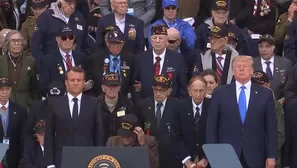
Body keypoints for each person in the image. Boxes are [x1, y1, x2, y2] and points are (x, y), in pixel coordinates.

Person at [206, 56, 277, 168]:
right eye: (238, 66)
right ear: (233, 71)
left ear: (252, 70)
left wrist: (271, 156)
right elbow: (211, 126)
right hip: (225, 154)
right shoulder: (220, 93)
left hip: (256, 154)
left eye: (245, 66)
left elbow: (271, 128)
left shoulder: (265, 94)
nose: (241, 69)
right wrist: (213, 155)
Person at [44, 67, 104, 168]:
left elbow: (99, 134)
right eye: (72, 80)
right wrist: (50, 164)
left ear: (84, 82)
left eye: (79, 80)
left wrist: (99, 160)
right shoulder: (54, 104)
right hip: (62, 159)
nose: (76, 83)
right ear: (66, 82)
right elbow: (49, 136)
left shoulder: (94, 103)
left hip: (88, 159)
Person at [136, 75, 192, 168]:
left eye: (162, 90)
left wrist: (185, 157)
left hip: (171, 156)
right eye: (155, 90)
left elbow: (183, 133)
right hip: (150, 155)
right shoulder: (143, 105)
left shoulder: (178, 106)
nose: (158, 93)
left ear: (169, 91)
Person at [133, 24, 187, 102]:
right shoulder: (140, 58)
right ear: (151, 40)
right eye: (154, 38)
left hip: (171, 105)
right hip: (145, 105)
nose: (157, 41)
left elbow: (183, 86)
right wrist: (139, 103)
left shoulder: (178, 59)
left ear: (167, 40)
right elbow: (135, 84)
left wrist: (177, 105)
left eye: (161, 38)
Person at [31, 0, 88, 70]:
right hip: (52, 67)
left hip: (76, 68)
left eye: (74, 3)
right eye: (69, 3)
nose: (72, 6)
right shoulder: (46, 18)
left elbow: (85, 44)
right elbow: (36, 46)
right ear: (60, 2)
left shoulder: (80, 18)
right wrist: (42, 67)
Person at [39, 25, 92, 97]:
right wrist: (65, 89)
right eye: (64, 38)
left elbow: (89, 77)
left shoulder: (82, 57)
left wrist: (89, 83)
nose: (68, 40)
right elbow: (43, 87)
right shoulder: (47, 60)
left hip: (80, 100)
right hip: (58, 101)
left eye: (70, 37)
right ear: (57, 39)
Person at [251, 71, 285, 168]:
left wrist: (267, 152)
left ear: (268, 85)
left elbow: (280, 135)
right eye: (253, 85)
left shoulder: (275, 105)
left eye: (260, 85)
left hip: (268, 158)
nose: (256, 88)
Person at [89, 28, 134, 97]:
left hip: (124, 99)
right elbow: (93, 80)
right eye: (113, 43)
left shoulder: (131, 59)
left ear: (123, 43)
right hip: (101, 99)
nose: (115, 46)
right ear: (107, 43)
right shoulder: (96, 58)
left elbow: (133, 81)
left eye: (118, 43)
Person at [0, 30, 38, 109]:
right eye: (13, 41)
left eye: (19, 41)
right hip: (6, 105)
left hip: (26, 105)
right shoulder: (1, 61)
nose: (16, 44)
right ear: (7, 43)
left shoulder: (30, 61)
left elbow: (34, 87)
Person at [179, 76, 211, 168]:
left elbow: (215, 134)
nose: (198, 94)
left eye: (201, 90)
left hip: (207, 160)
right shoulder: (180, 107)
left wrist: (206, 158)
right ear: (189, 91)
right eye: (195, 90)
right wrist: (186, 160)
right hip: (185, 159)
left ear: (205, 91)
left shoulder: (213, 106)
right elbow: (176, 135)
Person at [253, 34, 292, 103]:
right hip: (257, 103)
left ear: (273, 48)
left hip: (280, 105)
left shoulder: (285, 63)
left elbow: (290, 86)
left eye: (267, 46)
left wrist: (284, 98)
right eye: (261, 47)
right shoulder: (252, 63)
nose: (263, 50)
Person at [97, 72, 135, 143]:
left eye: (115, 86)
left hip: (120, 145)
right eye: (109, 86)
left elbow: (132, 127)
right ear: (103, 88)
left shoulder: (128, 104)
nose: (112, 89)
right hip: (100, 145)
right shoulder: (96, 104)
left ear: (119, 88)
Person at [0, 76, 28, 168]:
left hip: (14, 156)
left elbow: (24, 137)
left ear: (11, 90)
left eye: (7, 89)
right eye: (1, 89)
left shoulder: (20, 110)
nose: (4, 92)